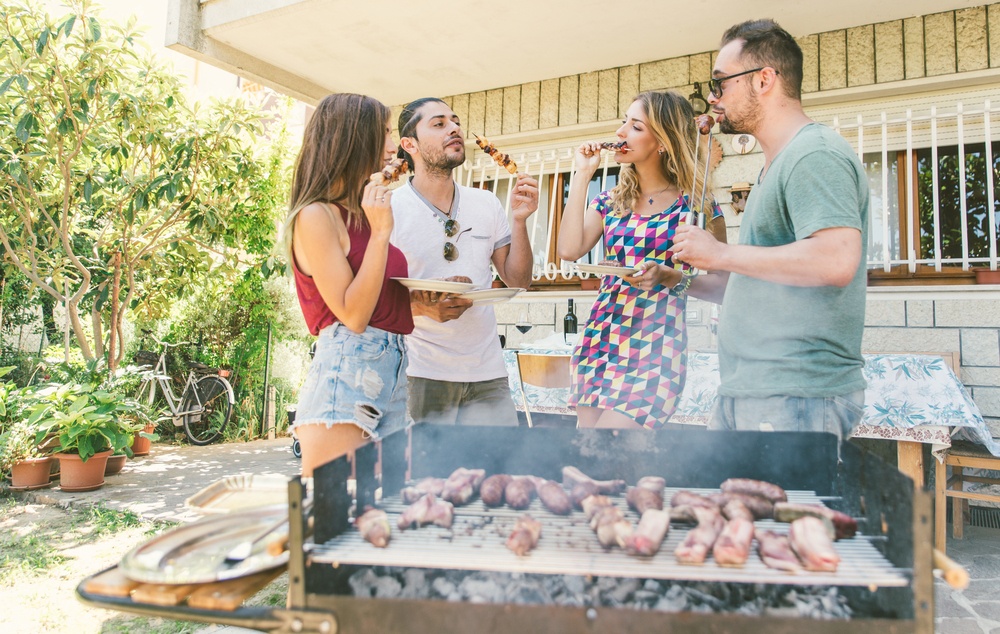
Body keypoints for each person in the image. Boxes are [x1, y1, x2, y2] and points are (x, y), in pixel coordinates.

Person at [671, 19, 870, 440]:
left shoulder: (812, 154)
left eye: (721, 82)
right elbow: (753, 286)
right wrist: (676, 282)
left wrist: (720, 254)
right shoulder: (775, 165)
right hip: (757, 391)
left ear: (764, 80)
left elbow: (836, 260)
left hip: (795, 394)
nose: (712, 96)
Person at [557, 90, 727, 430]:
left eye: (635, 126)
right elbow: (568, 250)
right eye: (624, 122)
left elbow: (724, 288)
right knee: (589, 456)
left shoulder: (696, 208)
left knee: (610, 443)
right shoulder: (610, 201)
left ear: (662, 140)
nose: (620, 133)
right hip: (602, 338)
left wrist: (670, 277)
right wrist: (582, 175)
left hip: (655, 347)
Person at [282, 93, 413, 477]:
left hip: (394, 366)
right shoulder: (315, 215)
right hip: (349, 364)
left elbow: (376, 301)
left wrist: (427, 304)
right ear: (352, 139)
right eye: (384, 133)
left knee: (385, 512)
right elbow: (353, 315)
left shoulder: (361, 213)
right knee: (334, 514)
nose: (392, 147)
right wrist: (381, 232)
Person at [390, 98, 539, 426]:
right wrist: (422, 307)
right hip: (420, 374)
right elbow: (372, 296)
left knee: (501, 473)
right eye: (439, 124)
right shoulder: (389, 208)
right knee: (429, 476)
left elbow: (518, 281)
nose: (454, 128)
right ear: (409, 144)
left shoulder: (486, 203)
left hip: (488, 374)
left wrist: (519, 220)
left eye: (455, 121)